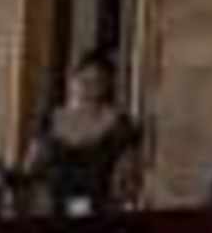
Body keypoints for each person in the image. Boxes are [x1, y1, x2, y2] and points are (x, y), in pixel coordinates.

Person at [19, 52, 143, 215]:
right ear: (72, 80)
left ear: (107, 85)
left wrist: (121, 198)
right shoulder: (49, 120)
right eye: (84, 80)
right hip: (51, 210)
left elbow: (129, 177)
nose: (89, 88)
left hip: (101, 211)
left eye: (97, 82)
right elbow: (31, 166)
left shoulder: (120, 125)